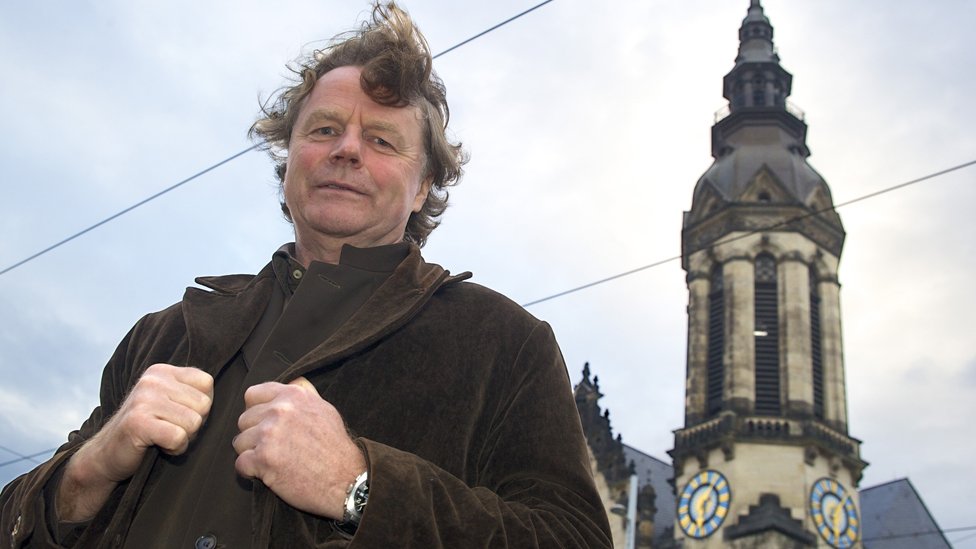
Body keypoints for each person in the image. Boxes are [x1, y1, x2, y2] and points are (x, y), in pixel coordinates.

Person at [0, 3, 612, 547]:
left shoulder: (504, 343)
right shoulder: (163, 335)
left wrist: (361, 487)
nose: (347, 149)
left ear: (424, 184)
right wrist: (89, 469)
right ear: (289, 156)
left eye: (382, 140)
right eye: (324, 130)